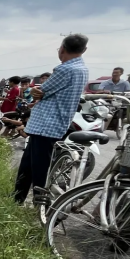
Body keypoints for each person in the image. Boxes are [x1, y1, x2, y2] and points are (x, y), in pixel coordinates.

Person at [13, 34, 90, 205]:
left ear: (62, 49)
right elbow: (41, 91)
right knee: (27, 164)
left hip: (47, 124)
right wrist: (38, 91)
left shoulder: (65, 69)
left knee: (39, 168)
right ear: (84, 50)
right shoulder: (82, 69)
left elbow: (41, 91)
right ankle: (16, 198)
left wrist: (37, 91)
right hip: (51, 124)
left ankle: (40, 206)